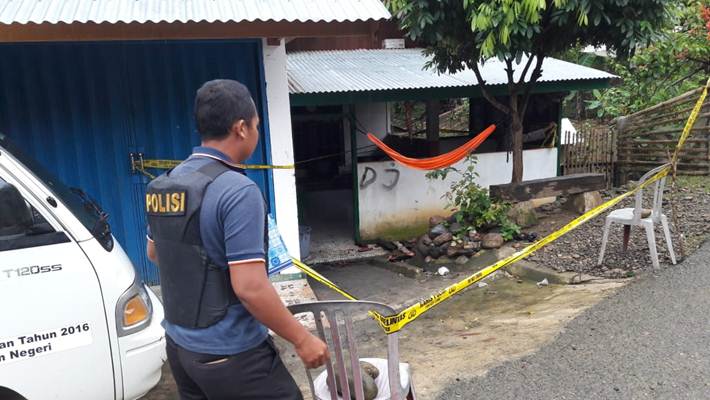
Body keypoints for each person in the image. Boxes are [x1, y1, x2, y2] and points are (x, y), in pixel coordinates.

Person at [145, 79, 329, 400]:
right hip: (232, 355)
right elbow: (250, 288)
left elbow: (154, 254)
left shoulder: (166, 183)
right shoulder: (237, 191)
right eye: (257, 125)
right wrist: (302, 339)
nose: (257, 133)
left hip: (181, 349)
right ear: (241, 128)